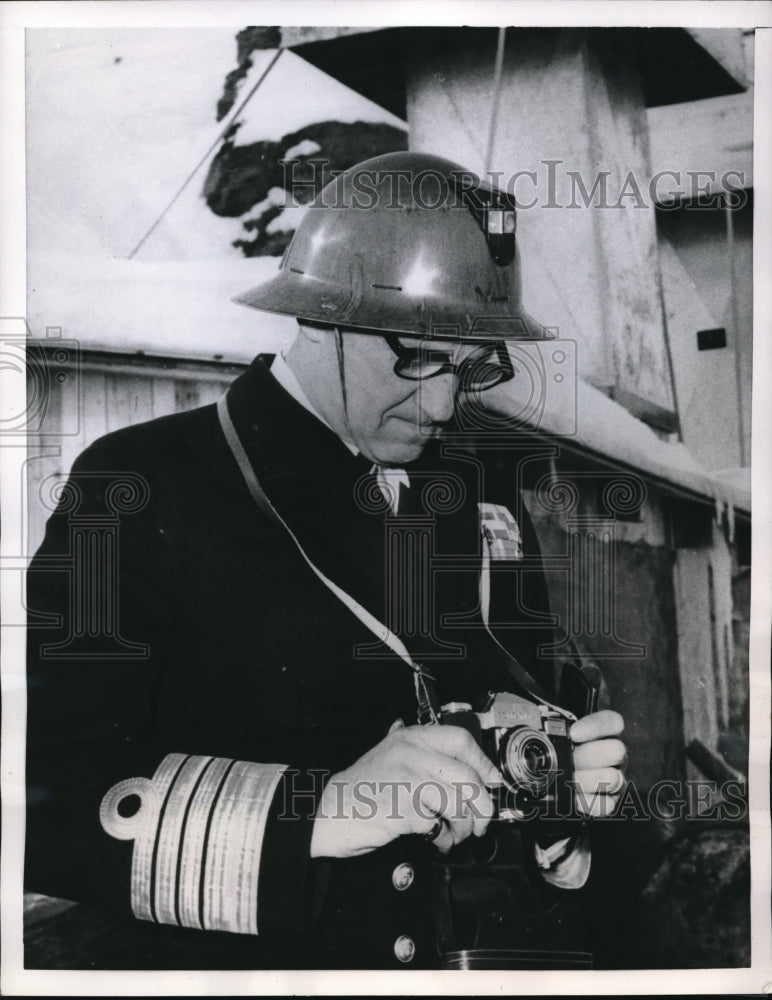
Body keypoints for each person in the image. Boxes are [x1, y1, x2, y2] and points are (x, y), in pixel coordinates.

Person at [25, 152, 626, 970]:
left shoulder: (476, 487)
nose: (444, 404)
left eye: (473, 363)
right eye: (415, 356)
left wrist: (562, 824)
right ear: (320, 315)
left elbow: (530, 691)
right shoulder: (135, 485)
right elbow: (45, 800)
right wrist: (324, 811)